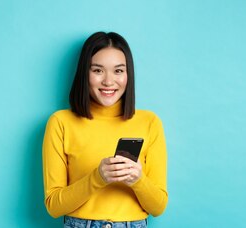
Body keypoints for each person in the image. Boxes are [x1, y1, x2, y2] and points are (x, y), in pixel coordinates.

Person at [42, 31, 168, 228]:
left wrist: (138, 180)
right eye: (98, 70)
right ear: (85, 73)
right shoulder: (60, 122)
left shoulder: (150, 122)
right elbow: (53, 207)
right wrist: (97, 178)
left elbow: (158, 207)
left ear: (128, 74)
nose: (109, 81)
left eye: (118, 71)